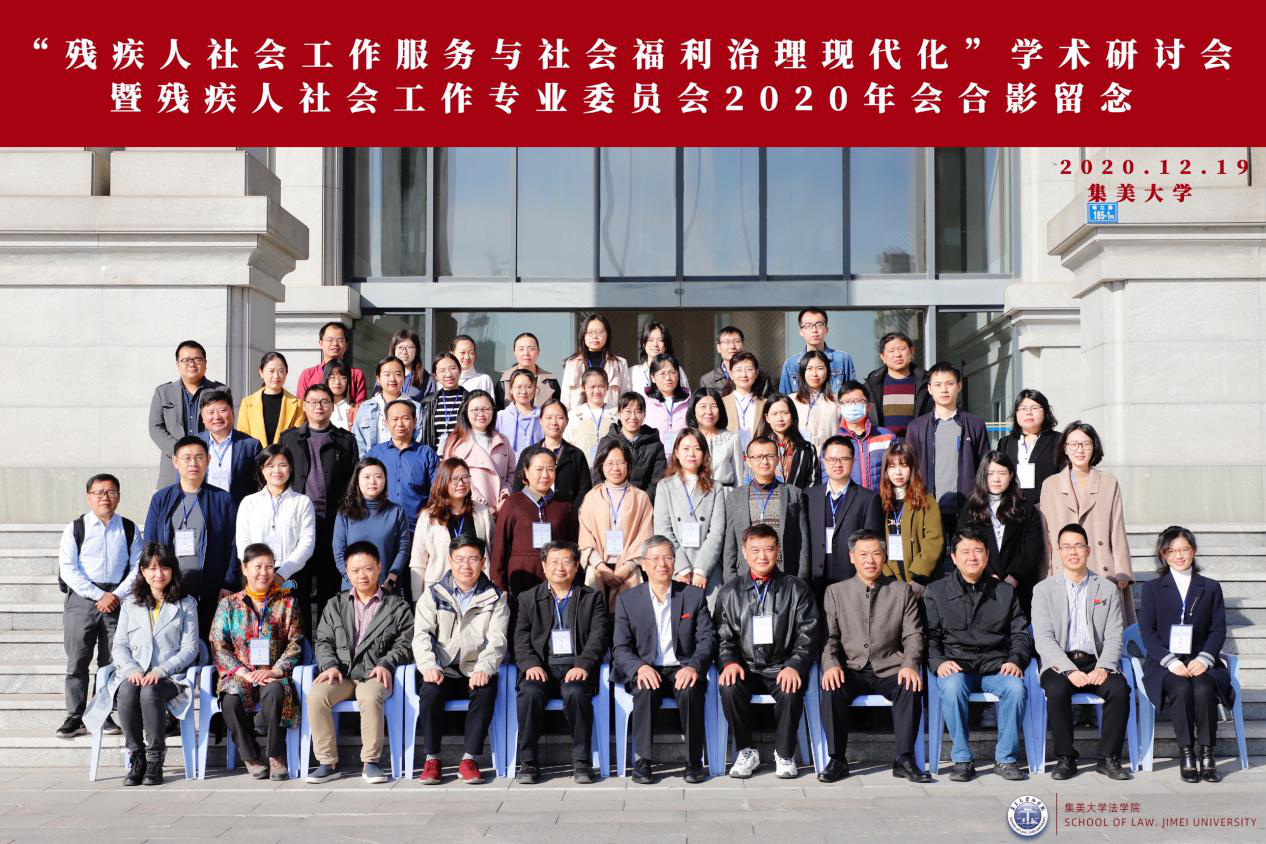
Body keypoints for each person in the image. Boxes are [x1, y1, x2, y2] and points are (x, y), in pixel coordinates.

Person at [817, 529, 930, 783]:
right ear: (852, 557)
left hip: (889, 666)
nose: (870, 560)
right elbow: (829, 637)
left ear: (884, 556)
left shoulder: (901, 590)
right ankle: (837, 759)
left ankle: (904, 758)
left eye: (876, 554)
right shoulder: (835, 592)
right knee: (832, 687)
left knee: (910, 684)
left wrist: (910, 664)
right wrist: (831, 664)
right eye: (863, 554)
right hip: (852, 668)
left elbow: (914, 635)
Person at [82, 543, 198, 786]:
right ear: (143, 572)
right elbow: (119, 645)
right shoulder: (130, 604)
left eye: (164, 567)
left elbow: (190, 648)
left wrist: (161, 670)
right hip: (133, 674)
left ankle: (155, 759)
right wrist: (131, 669)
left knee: (149, 692)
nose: (158, 574)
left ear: (173, 570)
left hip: (169, 677)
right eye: (152, 568)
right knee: (126, 692)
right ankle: (137, 756)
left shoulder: (186, 604)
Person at [924, 525, 1032, 782]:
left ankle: (1005, 759)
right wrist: (939, 662)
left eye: (978, 551)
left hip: (995, 666)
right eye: (965, 551)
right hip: (957, 665)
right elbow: (929, 636)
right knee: (952, 687)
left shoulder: (1004, 591)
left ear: (987, 555)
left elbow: (1020, 633)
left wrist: (1015, 660)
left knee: (1016, 688)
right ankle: (962, 759)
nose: (972, 557)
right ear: (953, 557)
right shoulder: (936, 592)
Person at [715, 524, 821, 779]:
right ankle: (746, 751)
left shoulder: (796, 589)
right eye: (755, 550)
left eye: (768, 549)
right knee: (729, 687)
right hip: (746, 667)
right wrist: (729, 662)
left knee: (791, 688)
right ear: (744, 552)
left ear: (777, 551)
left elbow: (808, 634)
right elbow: (723, 637)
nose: (762, 556)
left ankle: (784, 753)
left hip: (781, 665)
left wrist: (795, 665)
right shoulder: (729, 592)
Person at [305, 541, 414, 785]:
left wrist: (387, 662)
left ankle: (371, 761)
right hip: (342, 674)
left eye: (368, 569)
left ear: (379, 568)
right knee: (317, 696)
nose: (362, 575)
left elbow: (406, 642)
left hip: (375, 673)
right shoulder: (335, 604)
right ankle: (328, 762)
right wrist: (329, 665)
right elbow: (323, 640)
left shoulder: (397, 606)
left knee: (369, 696)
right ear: (347, 572)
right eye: (355, 570)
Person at [1031, 524, 1132, 781]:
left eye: (1078, 546)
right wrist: (1068, 670)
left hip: (1096, 661)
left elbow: (1114, 635)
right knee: (1056, 690)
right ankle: (1065, 757)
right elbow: (1043, 639)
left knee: (1119, 689)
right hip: (1060, 662)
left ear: (1088, 550)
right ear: (1058, 552)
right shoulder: (1043, 590)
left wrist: (1104, 667)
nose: (1073, 552)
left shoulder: (1106, 588)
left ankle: (1108, 758)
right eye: (1066, 547)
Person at [612, 536, 715, 785]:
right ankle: (643, 761)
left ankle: (693, 760)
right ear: (643, 564)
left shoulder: (692, 596)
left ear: (675, 562)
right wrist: (639, 667)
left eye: (668, 557)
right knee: (645, 690)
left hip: (682, 667)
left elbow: (707, 639)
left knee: (690, 690)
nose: (662, 564)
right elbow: (620, 647)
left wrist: (693, 666)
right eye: (655, 558)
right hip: (647, 668)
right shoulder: (628, 599)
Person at [1139, 526, 1234, 784]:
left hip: (1201, 660)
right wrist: (1170, 662)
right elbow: (1147, 631)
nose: (1179, 556)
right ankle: (1187, 754)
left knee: (1203, 690)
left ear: (1194, 551)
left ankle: (1208, 754)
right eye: (1172, 551)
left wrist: (1204, 659)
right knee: (1180, 689)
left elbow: (1218, 629)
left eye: (1184, 549)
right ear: (1163, 554)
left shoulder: (1210, 587)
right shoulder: (1152, 588)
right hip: (1165, 663)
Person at [412, 536, 510, 785]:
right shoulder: (433, 594)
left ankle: (469, 759)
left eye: (473, 559)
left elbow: (497, 640)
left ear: (483, 562)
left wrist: (484, 668)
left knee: (485, 691)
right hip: (442, 668)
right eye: (460, 559)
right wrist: (429, 666)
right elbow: (421, 635)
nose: (466, 565)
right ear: (450, 561)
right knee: (430, 692)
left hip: (475, 668)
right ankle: (432, 759)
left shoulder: (495, 597)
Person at [512, 542, 610, 784]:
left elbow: (599, 637)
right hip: (541, 669)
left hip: (576, 669)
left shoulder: (591, 598)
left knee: (576, 693)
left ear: (576, 566)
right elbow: (520, 638)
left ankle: (581, 761)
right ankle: (528, 761)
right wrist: (530, 664)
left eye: (567, 562)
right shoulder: (528, 598)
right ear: (544, 566)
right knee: (529, 693)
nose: (560, 567)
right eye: (554, 562)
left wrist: (583, 664)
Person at [56, 473, 143, 740]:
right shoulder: (75, 528)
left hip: (118, 599)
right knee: (77, 659)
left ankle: (103, 713)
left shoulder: (129, 529)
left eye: (111, 492)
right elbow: (68, 568)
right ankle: (75, 715)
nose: (105, 497)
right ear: (89, 497)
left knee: (111, 661)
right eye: (99, 493)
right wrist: (99, 595)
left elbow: (137, 568)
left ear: (119, 496)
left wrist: (115, 594)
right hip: (82, 599)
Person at [210, 544, 304, 781]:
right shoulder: (228, 604)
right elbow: (219, 645)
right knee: (230, 700)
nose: (264, 572)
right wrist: (243, 672)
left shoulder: (287, 603)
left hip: (273, 674)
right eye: (258, 566)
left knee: (275, 692)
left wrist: (275, 671)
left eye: (269, 567)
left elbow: (296, 643)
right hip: (240, 674)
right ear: (244, 568)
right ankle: (251, 756)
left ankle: (276, 755)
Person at [281, 383, 360, 631]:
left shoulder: (345, 440)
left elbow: (353, 483)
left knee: (329, 585)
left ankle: (327, 640)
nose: (319, 406)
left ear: (332, 406)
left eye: (325, 402)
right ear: (304, 406)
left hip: (333, 523)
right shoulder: (289, 438)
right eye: (313, 402)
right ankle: (301, 640)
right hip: (299, 524)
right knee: (298, 585)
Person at [143, 436, 238, 639]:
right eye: (186, 458)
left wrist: (229, 583)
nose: (193, 463)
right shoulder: (161, 499)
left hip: (211, 589)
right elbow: (149, 543)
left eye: (199, 457)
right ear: (175, 462)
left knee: (210, 643)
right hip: (169, 587)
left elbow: (233, 545)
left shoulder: (222, 499)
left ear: (208, 460)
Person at [1039, 421, 1134, 622]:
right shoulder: (1051, 485)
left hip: (1101, 565)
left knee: (1105, 626)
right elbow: (1046, 536)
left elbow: (1117, 528)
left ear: (1094, 447)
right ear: (1065, 448)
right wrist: (1048, 572)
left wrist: (1123, 571)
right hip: (1064, 566)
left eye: (1086, 444)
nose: (1080, 449)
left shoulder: (1108, 482)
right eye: (1073, 444)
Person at [905, 362, 990, 550]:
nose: (944, 389)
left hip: (967, 508)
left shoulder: (975, 424)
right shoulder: (916, 427)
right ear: (929, 389)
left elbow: (985, 467)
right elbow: (910, 469)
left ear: (959, 386)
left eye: (950, 384)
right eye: (938, 385)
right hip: (928, 508)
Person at [959, 451, 1045, 616]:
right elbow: (963, 543)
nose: (996, 479)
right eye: (990, 473)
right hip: (980, 585)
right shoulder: (971, 510)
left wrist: (1013, 577)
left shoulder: (1025, 510)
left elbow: (1032, 548)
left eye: (1002, 473)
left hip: (1019, 588)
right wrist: (987, 573)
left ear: (1011, 475)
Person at [577, 440, 654, 609]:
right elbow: (585, 538)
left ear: (628, 465)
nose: (615, 468)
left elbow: (645, 536)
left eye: (621, 462)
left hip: (629, 569)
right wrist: (601, 567)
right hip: (597, 568)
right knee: (596, 614)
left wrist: (627, 568)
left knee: (628, 616)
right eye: (610, 463)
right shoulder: (591, 497)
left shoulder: (641, 498)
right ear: (601, 466)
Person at [804, 436, 884, 597]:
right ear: (824, 461)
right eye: (832, 459)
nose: (837, 464)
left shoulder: (868, 499)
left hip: (852, 580)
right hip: (815, 580)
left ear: (853, 461)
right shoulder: (808, 496)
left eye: (844, 459)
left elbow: (872, 543)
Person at [722, 437, 809, 580]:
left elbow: (803, 541)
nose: (764, 461)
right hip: (746, 577)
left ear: (778, 459)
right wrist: (730, 580)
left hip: (785, 576)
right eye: (758, 457)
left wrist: (801, 579)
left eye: (770, 456)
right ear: (748, 461)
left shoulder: (794, 493)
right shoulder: (735, 497)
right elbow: (730, 545)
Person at [653, 430, 728, 597]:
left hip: (708, 567)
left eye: (697, 448)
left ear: (705, 454)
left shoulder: (716, 488)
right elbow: (662, 530)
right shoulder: (665, 486)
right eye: (685, 448)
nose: (691, 454)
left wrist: (701, 570)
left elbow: (717, 532)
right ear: (677, 453)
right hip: (675, 567)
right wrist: (682, 568)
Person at [234, 445, 316, 595]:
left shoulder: (302, 502)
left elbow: (307, 543)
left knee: (292, 610)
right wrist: (258, 570)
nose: (276, 471)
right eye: (270, 466)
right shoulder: (249, 502)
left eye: (282, 465)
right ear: (262, 469)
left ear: (291, 468)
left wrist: (282, 574)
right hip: (256, 576)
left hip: (292, 575)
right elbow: (242, 541)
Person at [409, 458, 495, 595]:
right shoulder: (428, 516)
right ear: (443, 481)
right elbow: (418, 561)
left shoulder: (482, 512)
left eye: (465, 477)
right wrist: (417, 599)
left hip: (478, 589)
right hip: (439, 590)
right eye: (454, 479)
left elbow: (492, 551)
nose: (461, 483)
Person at [148, 340, 226, 488]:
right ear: (177, 364)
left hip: (209, 465)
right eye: (186, 360)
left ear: (205, 363)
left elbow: (224, 427)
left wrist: (201, 454)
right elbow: (155, 427)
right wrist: (180, 452)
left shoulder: (220, 391)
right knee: (172, 502)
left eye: (197, 359)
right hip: (173, 466)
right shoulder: (163, 392)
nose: (192, 364)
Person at [333, 458, 410, 592]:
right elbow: (339, 550)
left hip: (386, 588)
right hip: (352, 588)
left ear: (385, 480)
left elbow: (403, 549)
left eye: (378, 477)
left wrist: (390, 581)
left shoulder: (396, 512)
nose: (372, 482)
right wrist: (353, 580)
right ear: (357, 480)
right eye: (366, 477)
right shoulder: (345, 513)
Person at [367, 399, 439, 535]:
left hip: (417, 529)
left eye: (405, 418)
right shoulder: (376, 453)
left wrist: (427, 515)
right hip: (381, 527)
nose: (400, 424)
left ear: (415, 421)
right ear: (386, 422)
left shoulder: (427, 454)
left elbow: (436, 492)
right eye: (394, 419)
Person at [877, 444, 943, 585]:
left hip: (919, 581)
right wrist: (887, 576)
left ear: (912, 468)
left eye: (904, 466)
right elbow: (875, 542)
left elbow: (933, 541)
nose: (898, 472)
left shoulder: (926, 501)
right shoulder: (879, 501)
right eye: (892, 466)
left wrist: (919, 576)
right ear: (886, 470)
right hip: (890, 580)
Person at [512, 399, 593, 508]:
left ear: (567, 421)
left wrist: (570, 512)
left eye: (560, 418)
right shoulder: (528, 453)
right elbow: (518, 487)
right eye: (549, 417)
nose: (554, 422)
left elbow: (584, 490)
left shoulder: (576, 455)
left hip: (568, 515)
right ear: (540, 420)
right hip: (532, 513)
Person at [443, 390, 514, 514]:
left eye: (486, 409)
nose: (481, 414)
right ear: (466, 412)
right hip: (469, 509)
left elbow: (512, 473)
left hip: (501, 509)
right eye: (475, 410)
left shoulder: (503, 440)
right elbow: (451, 477)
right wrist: (480, 503)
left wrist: (506, 494)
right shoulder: (455, 443)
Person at [595, 392, 667, 501]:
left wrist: (642, 501)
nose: (633, 417)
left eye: (638, 411)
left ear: (644, 414)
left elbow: (658, 480)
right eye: (628, 411)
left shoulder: (655, 444)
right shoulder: (607, 442)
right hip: (611, 503)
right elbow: (597, 477)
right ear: (619, 413)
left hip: (644, 504)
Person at [196, 390, 261, 507]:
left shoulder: (251, 445)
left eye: (222, 410)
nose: (216, 417)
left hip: (239, 509)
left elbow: (260, 484)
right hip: (203, 508)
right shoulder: (194, 444)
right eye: (211, 412)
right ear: (203, 418)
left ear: (232, 413)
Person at [997, 389, 1060, 506]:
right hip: (1011, 508)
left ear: (1046, 411)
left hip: (1046, 508)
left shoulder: (1058, 441)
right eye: (1023, 408)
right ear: (1016, 413)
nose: (1029, 413)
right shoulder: (1005, 443)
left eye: (1034, 408)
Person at [863, 332, 932, 439]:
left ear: (912, 351)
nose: (897, 354)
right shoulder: (872, 385)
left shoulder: (926, 383)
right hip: (883, 444)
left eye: (902, 349)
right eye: (891, 351)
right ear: (882, 357)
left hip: (917, 443)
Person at [353, 356, 423, 456]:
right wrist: (367, 464)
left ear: (404, 378)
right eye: (387, 374)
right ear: (378, 379)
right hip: (372, 463)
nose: (392, 379)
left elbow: (419, 441)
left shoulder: (416, 408)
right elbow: (358, 443)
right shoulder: (366, 407)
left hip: (405, 462)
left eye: (398, 374)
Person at [836, 381, 897, 491]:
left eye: (858, 401)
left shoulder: (887, 437)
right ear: (839, 408)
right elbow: (828, 479)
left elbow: (897, 472)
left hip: (881, 499)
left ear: (868, 407)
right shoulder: (834, 443)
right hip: (849, 500)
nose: (852, 406)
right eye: (847, 402)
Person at [778, 308, 856, 394]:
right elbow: (783, 398)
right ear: (801, 332)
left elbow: (852, 394)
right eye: (808, 326)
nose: (814, 330)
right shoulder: (791, 364)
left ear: (826, 330)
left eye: (819, 325)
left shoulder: (843, 359)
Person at [560, 313, 630, 409]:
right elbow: (565, 399)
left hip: (609, 416)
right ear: (583, 335)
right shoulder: (572, 363)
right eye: (590, 332)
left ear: (607, 335)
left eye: (599, 332)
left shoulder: (620, 363)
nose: (594, 336)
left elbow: (625, 398)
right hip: (579, 417)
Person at [237, 352, 306, 448]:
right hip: (255, 456)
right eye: (271, 371)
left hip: (285, 456)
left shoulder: (298, 404)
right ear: (261, 372)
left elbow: (296, 439)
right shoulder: (248, 403)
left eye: (281, 371)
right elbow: (243, 437)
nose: (276, 376)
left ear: (286, 373)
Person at [755, 394, 820, 490]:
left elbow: (813, 485)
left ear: (792, 415)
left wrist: (797, 498)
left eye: (785, 413)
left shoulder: (807, 449)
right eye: (774, 414)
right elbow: (750, 481)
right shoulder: (757, 449)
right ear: (767, 418)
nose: (780, 418)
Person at [296, 321, 367, 405]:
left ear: (346, 345)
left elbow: (361, 407)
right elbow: (301, 406)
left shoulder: (356, 375)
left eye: (340, 340)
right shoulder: (308, 375)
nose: (335, 344)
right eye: (330, 340)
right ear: (321, 343)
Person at [687, 388, 743, 488]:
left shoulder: (732, 439)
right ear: (693, 409)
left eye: (714, 406)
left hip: (725, 494)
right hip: (695, 493)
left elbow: (739, 479)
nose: (709, 412)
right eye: (703, 406)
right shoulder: (687, 439)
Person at [698, 325, 775, 397]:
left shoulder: (761, 375)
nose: (732, 346)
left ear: (743, 345)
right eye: (727, 342)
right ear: (718, 347)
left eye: (737, 341)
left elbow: (770, 402)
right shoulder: (707, 380)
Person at [564, 367, 617, 466]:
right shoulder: (574, 415)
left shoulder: (616, 414)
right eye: (592, 387)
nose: (596, 391)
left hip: (610, 469)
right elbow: (566, 445)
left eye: (601, 386)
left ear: (607, 387)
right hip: (581, 468)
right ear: (583, 387)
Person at [642, 354, 691, 457]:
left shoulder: (689, 403)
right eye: (662, 373)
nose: (668, 378)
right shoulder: (644, 403)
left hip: (683, 459)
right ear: (653, 377)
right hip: (654, 460)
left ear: (678, 375)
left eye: (672, 372)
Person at [496, 331, 560, 409]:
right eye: (521, 349)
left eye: (531, 349)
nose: (526, 353)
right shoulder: (503, 381)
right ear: (514, 353)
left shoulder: (550, 381)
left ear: (538, 352)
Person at [417, 352, 467, 452]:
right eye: (442, 370)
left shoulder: (470, 400)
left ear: (460, 370)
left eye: (453, 368)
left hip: (464, 458)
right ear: (435, 376)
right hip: (435, 459)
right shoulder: (428, 403)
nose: (448, 374)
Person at [790, 350, 839, 451]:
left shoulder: (837, 400)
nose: (814, 374)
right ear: (803, 371)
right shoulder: (791, 400)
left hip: (830, 455)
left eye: (820, 368)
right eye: (809, 369)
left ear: (827, 371)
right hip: (800, 454)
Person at [721, 352, 767, 453]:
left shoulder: (765, 404)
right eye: (738, 370)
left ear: (756, 373)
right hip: (730, 456)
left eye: (749, 369)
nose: (744, 375)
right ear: (731, 374)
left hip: (758, 456)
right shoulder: (721, 403)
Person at [630, 320, 691, 395]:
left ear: (666, 345)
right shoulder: (633, 372)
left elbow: (686, 397)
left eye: (660, 340)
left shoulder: (676, 370)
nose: (655, 344)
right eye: (650, 340)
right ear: (643, 344)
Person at [495, 368, 543, 459]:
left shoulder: (543, 417)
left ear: (534, 390)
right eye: (519, 387)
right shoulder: (500, 417)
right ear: (510, 390)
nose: (524, 391)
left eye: (528, 387)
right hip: (507, 467)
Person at [385, 328, 435, 400]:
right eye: (400, 347)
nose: (404, 352)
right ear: (394, 350)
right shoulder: (384, 375)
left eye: (409, 347)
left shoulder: (427, 379)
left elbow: (430, 405)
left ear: (417, 351)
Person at [323, 359, 359, 431]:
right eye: (332, 377)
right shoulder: (319, 408)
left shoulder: (357, 410)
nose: (337, 382)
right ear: (326, 380)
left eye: (343, 378)